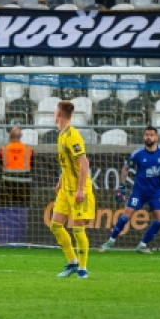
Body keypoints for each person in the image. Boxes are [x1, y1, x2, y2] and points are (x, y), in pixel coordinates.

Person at [101, 126, 160, 253]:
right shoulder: (137, 154)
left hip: (156, 192)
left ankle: (142, 245)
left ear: (156, 137)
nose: (149, 137)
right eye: (146, 135)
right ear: (144, 137)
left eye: (151, 135)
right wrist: (122, 187)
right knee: (126, 215)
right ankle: (110, 241)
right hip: (139, 191)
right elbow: (125, 168)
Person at [48, 100, 94, 279]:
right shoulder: (61, 135)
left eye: (54, 111)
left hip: (77, 190)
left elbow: (84, 162)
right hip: (65, 188)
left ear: (59, 114)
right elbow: (68, 162)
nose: (54, 114)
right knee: (56, 226)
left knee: (77, 229)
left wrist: (81, 189)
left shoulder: (72, 135)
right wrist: (60, 180)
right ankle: (72, 262)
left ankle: (83, 269)